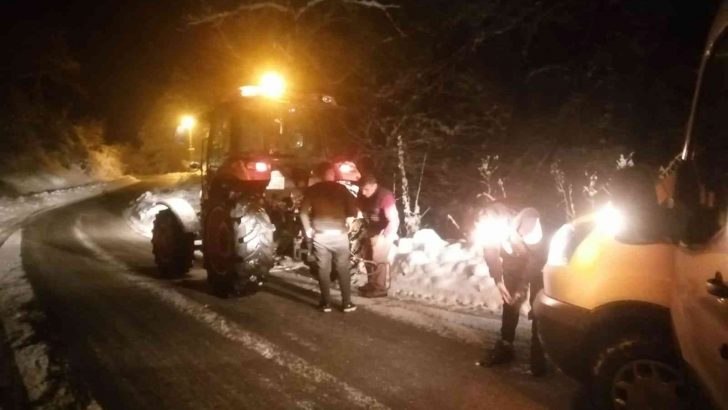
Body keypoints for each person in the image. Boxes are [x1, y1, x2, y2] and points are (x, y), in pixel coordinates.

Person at [475, 202, 548, 376]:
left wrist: (523, 286)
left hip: (538, 263)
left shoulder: (536, 229)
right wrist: (498, 280)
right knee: (510, 302)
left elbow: (535, 262)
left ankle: (539, 352)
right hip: (513, 260)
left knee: (537, 306)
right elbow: (490, 251)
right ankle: (506, 347)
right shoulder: (494, 223)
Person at [300, 162, 359, 313]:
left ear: (320, 175)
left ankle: (325, 303)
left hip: (321, 236)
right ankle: (347, 303)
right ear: (332, 174)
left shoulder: (313, 190)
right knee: (342, 268)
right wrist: (346, 220)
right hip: (339, 235)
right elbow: (353, 211)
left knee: (323, 269)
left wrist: (308, 231)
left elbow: (303, 213)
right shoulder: (342, 189)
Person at [356, 173, 400, 298]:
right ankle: (371, 283)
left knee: (378, 259)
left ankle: (380, 288)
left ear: (374, 186)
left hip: (384, 231)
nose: (363, 192)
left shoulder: (385, 196)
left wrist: (385, 236)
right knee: (368, 257)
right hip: (370, 230)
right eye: (361, 189)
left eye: (366, 189)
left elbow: (393, 219)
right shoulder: (363, 196)